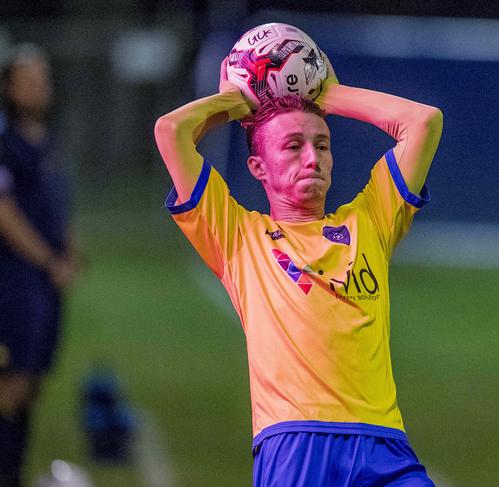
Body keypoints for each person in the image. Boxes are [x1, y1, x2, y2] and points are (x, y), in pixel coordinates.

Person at [154, 54, 443, 486]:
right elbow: (171, 131)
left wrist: (328, 94)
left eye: (322, 145)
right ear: (258, 168)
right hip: (294, 445)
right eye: (293, 146)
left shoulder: (372, 219)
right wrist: (240, 99)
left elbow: (423, 121)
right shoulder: (237, 237)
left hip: (384, 445)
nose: (312, 158)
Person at [0, 44, 79, 487]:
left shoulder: (46, 142)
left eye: (43, 77)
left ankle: (13, 472)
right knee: (10, 385)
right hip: (14, 281)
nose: (40, 86)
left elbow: (56, 207)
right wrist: (49, 260)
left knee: (30, 383)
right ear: (9, 87)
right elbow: (4, 211)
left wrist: (69, 252)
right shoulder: (6, 145)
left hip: (46, 282)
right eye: (29, 78)